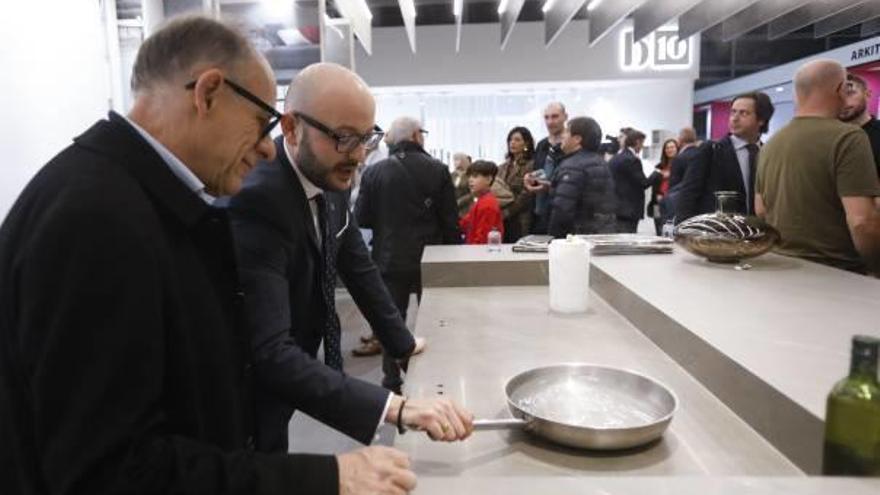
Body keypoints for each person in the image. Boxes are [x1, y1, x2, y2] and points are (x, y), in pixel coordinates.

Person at [0, 16, 417, 495]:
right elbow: (110, 470)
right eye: (261, 125)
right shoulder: (96, 217)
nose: (266, 150)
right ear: (209, 92)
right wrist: (324, 476)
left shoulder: (133, 197)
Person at [226, 63, 470, 455]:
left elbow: (357, 265)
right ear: (291, 128)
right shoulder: (260, 199)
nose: (358, 156)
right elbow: (269, 352)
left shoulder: (331, 177)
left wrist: (402, 342)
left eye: (366, 138)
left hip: (288, 373)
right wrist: (395, 408)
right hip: (244, 389)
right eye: (342, 137)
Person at [756, 59, 880, 274]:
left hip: (782, 268)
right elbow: (862, 221)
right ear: (840, 89)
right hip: (838, 273)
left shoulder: (771, 144)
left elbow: (761, 210)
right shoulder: (848, 137)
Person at [356, 116, 460, 357]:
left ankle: (391, 379)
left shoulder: (374, 172)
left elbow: (361, 218)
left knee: (391, 324)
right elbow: (450, 223)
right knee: (435, 321)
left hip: (389, 256)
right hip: (431, 259)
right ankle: (436, 372)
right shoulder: (439, 170)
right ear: (415, 135)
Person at [676, 92, 775, 221]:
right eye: (733, 112)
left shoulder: (767, 153)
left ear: (761, 120)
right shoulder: (711, 150)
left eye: (743, 113)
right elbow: (688, 196)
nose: (735, 118)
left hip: (757, 233)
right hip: (718, 234)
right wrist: (684, 233)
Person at [545, 117, 617, 237]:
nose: (563, 135)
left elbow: (562, 210)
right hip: (602, 234)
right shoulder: (600, 162)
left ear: (577, 139)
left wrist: (554, 240)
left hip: (576, 239)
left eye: (567, 132)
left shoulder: (572, 166)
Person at [609, 128, 660, 233]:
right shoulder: (632, 160)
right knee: (627, 243)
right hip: (628, 211)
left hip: (616, 209)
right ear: (637, 142)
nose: (642, 147)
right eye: (642, 143)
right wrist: (657, 173)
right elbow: (643, 183)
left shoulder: (616, 158)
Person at [529, 102, 568, 234]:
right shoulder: (542, 145)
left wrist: (550, 186)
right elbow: (538, 171)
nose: (550, 122)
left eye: (555, 116)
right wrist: (530, 178)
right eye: (546, 117)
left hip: (562, 210)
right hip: (540, 210)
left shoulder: (570, 145)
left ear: (565, 117)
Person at [839, 73, 880, 177]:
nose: (843, 101)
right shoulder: (827, 136)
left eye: (850, 93)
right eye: (837, 96)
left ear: (867, 95)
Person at [498, 126, 535, 242]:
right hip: (502, 215)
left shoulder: (531, 165)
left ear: (526, 144)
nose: (512, 143)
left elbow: (526, 194)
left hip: (520, 216)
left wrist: (508, 212)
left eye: (517, 140)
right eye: (510, 140)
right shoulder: (502, 166)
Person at [459, 160, 505, 244]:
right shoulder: (482, 200)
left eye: (475, 176)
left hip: (479, 254)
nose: (470, 180)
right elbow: (465, 223)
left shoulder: (487, 204)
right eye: (469, 177)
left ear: (488, 179)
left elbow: (482, 239)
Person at [647, 138, 679, 235]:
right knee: (658, 229)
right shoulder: (659, 166)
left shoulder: (681, 165)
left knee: (671, 230)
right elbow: (652, 184)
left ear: (677, 149)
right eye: (667, 148)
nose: (669, 150)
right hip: (657, 202)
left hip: (672, 202)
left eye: (672, 147)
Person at [452, 152, 473, 217]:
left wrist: (460, 201)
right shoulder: (452, 175)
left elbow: (472, 192)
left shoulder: (470, 175)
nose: (455, 162)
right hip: (453, 207)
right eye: (454, 160)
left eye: (457, 160)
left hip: (466, 208)